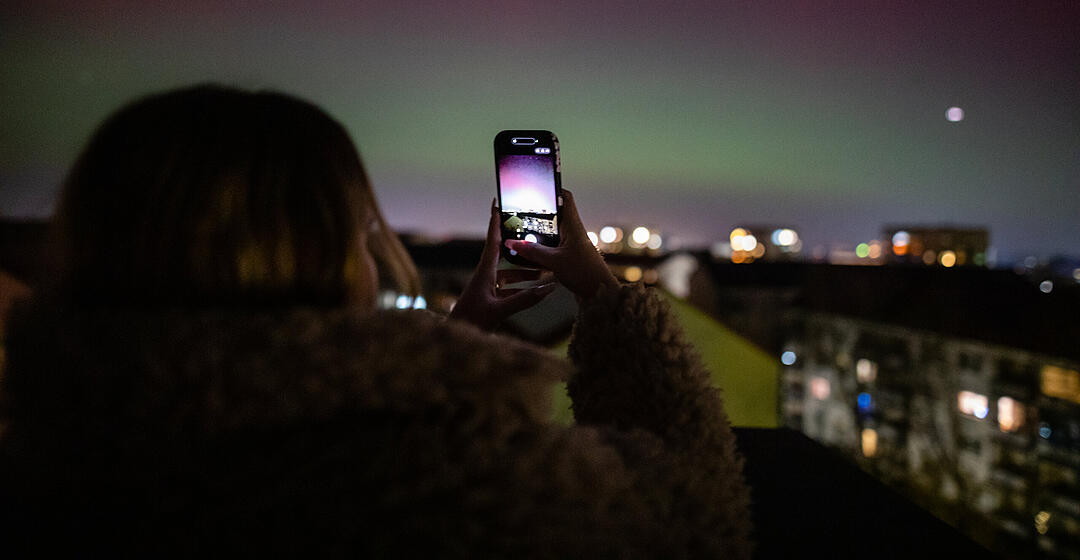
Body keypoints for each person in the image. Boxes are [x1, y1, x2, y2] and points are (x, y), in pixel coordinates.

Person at [0, 85, 751, 558]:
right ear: (306, 258)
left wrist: (458, 338)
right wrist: (602, 292)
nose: (371, 259)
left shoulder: (55, 457)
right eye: (360, 234)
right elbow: (695, 512)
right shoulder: (440, 484)